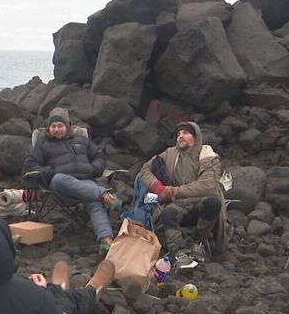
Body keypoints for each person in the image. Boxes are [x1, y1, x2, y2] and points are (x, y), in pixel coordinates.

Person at [23, 107, 122, 254]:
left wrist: (94, 169)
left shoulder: (82, 140)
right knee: (60, 178)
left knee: (94, 200)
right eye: (53, 126)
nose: (56, 129)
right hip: (60, 186)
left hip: (85, 182)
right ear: (49, 128)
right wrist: (50, 171)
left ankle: (106, 240)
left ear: (68, 126)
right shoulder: (43, 144)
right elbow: (30, 164)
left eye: (60, 126)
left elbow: (99, 156)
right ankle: (104, 195)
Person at [138, 121, 229, 267]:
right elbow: (144, 171)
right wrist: (158, 187)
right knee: (168, 213)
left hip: (199, 202)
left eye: (185, 133)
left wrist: (174, 191)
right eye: (178, 134)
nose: (180, 136)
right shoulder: (170, 154)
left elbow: (208, 185)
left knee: (213, 203)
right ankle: (179, 252)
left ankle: (198, 241)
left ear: (195, 137)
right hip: (179, 204)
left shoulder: (207, 155)